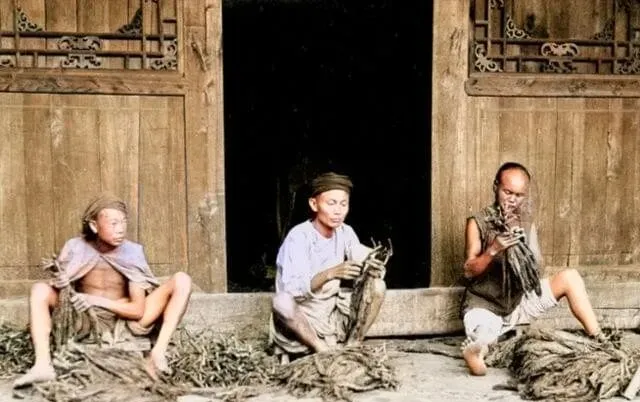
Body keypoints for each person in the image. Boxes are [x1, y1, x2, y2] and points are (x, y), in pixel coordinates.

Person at [14, 193, 192, 387]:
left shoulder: (133, 252)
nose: (121, 229)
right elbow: (62, 293)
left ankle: (157, 353)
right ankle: (42, 365)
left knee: (182, 280)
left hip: (124, 321)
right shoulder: (75, 247)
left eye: (123, 222)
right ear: (94, 226)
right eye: (114, 223)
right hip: (84, 319)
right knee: (39, 289)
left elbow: (137, 310)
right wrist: (61, 282)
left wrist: (95, 300)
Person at [461, 162, 603, 376]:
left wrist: (523, 250)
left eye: (519, 195)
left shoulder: (526, 223)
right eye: (507, 192)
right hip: (485, 305)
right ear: (495, 187)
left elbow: (537, 271)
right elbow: (468, 271)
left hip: (519, 303)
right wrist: (493, 250)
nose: (512, 200)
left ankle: (600, 339)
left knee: (570, 277)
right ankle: (477, 355)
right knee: (484, 333)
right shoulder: (477, 222)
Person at [270, 172, 386, 360]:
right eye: (331, 203)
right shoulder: (298, 237)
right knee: (281, 302)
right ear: (314, 204)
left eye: (343, 204)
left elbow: (360, 254)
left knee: (378, 286)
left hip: (333, 314)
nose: (338, 211)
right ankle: (321, 348)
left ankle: (354, 342)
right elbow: (291, 290)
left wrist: (373, 261)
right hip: (304, 317)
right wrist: (330, 273)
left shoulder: (345, 232)